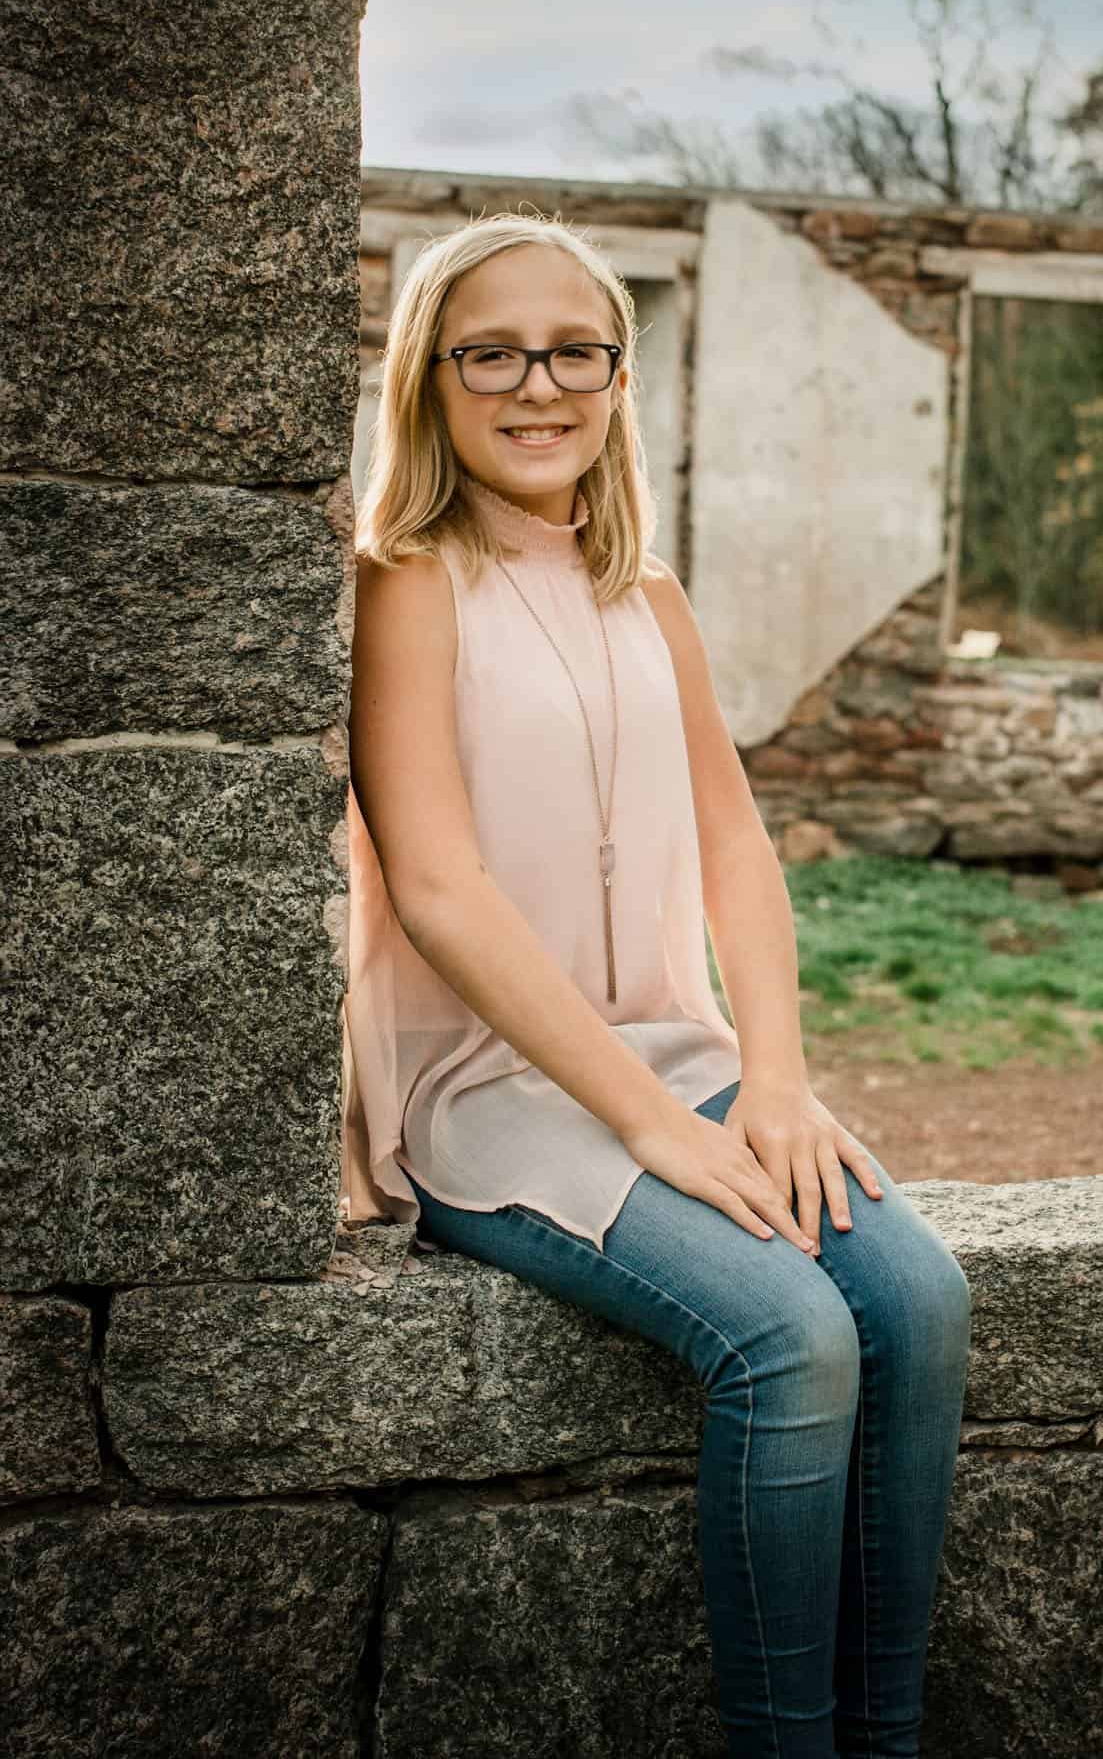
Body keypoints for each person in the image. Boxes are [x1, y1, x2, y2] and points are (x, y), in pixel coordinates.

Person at [339, 209, 972, 1758]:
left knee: (920, 1301)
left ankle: (881, 1738)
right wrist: (655, 1125)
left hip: (679, 1057)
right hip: (488, 1094)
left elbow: (739, 848)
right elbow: (437, 887)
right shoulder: (404, 582)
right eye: (492, 350)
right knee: (792, 1335)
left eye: (575, 350)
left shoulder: (650, 594)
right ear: (431, 376)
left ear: (620, 378)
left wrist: (773, 1079)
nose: (536, 383)